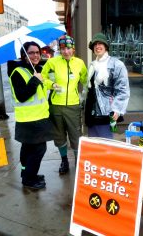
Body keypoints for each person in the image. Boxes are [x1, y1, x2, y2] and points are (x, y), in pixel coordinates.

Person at [8, 41, 53, 189]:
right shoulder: (18, 72)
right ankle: (29, 179)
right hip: (30, 120)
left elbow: (41, 88)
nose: (35, 55)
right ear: (24, 55)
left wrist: (51, 85)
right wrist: (35, 80)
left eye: (37, 52)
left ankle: (26, 174)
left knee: (27, 149)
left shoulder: (34, 70)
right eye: (31, 52)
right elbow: (22, 96)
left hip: (37, 118)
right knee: (39, 149)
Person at [41, 35, 88, 175]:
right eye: (62, 49)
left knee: (75, 135)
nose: (66, 51)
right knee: (59, 135)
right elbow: (43, 77)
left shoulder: (79, 63)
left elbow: (86, 81)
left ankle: (78, 162)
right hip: (56, 105)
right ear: (59, 50)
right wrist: (51, 84)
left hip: (73, 105)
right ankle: (64, 161)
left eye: (68, 48)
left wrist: (84, 95)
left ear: (73, 49)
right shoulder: (52, 63)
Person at [84, 32, 130, 139]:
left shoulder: (117, 64)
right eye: (95, 44)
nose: (97, 46)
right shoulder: (92, 65)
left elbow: (123, 90)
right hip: (92, 114)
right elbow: (89, 89)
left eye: (100, 44)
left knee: (107, 144)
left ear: (106, 47)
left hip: (109, 114)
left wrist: (118, 109)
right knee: (94, 145)